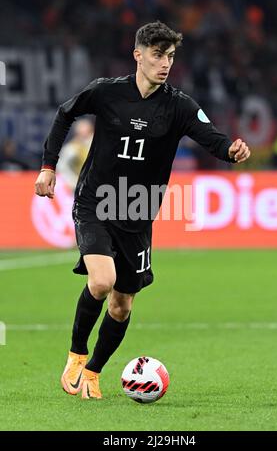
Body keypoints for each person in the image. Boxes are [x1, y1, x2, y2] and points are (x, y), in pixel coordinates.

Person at [35, 21, 250, 400]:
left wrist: (231, 151)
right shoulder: (105, 92)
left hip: (137, 212)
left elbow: (212, 137)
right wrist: (49, 167)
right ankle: (76, 355)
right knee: (101, 281)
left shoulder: (179, 106)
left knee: (121, 305)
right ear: (138, 55)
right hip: (96, 202)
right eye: (157, 55)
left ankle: (94, 372)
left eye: (169, 56)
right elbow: (65, 113)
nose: (165, 63)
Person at [56, 118, 94, 191]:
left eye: (88, 132)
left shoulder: (99, 145)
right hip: (78, 185)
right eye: (81, 133)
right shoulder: (71, 149)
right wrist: (72, 181)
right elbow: (61, 167)